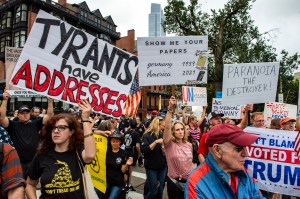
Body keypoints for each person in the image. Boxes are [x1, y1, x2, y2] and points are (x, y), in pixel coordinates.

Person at [25, 99, 96, 198]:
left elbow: (90, 155)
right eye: (53, 128)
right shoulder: (41, 155)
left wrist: (85, 119)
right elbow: (30, 184)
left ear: (71, 132)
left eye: (62, 127)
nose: (56, 131)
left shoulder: (78, 151)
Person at [185, 124, 263, 199]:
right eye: (238, 148)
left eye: (245, 147)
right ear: (217, 150)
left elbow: (257, 196)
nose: (246, 154)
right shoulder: (196, 183)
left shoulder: (243, 171)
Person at [0, 91, 54, 179]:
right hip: (18, 161)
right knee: (19, 185)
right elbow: (2, 118)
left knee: (32, 185)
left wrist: (50, 102)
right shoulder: (13, 125)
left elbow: (49, 116)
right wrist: (5, 100)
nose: (25, 115)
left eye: (27, 113)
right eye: (22, 113)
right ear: (18, 114)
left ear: (30, 113)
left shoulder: (35, 124)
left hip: (34, 161)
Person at [163, 96, 194, 199]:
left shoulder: (189, 145)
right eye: (177, 130)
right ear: (173, 132)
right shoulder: (169, 144)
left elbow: (190, 163)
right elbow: (167, 127)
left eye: (182, 129)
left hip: (189, 182)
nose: (180, 131)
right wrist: (170, 108)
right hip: (174, 183)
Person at [141, 117, 167, 199]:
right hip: (151, 167)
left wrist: (164, 149)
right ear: (157, 125)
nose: (164, 127)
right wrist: (155, 142)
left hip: (162, 166)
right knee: (153, 190)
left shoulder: (162, 135)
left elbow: (165, 152)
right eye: (163, 126)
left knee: (160, 190)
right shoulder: (147, 135)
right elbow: (144, 150)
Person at [123, 119, 141, 191]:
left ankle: (125, 183)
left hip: (125, 151)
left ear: (130, 125)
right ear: (136, 125)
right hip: (132, 153)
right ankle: (129, 184)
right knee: (130, 170)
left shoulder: (126, 132)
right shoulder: (136, 134)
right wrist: (139, 153)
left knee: (125, 168)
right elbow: (137, 145)